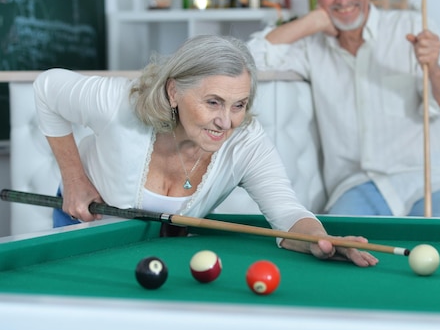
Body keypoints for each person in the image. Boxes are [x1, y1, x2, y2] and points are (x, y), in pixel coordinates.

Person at [33, 34, 378, 267]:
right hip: (84, 220)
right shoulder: (118, 104)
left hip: (157, 247)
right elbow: (47, 88)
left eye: (238, 104)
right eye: (213, 102)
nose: (226, 122)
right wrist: (74, 178)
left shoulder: (246, 142)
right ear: (173, 92)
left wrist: (321, 240)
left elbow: (287, 214)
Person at [247, 0, 440, 218]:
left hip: (433, 179)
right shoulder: (310, 45)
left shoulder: (413, 27)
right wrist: (310, 22)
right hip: (358, 186)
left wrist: (434, 66)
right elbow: (249, 58)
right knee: (337, 252)